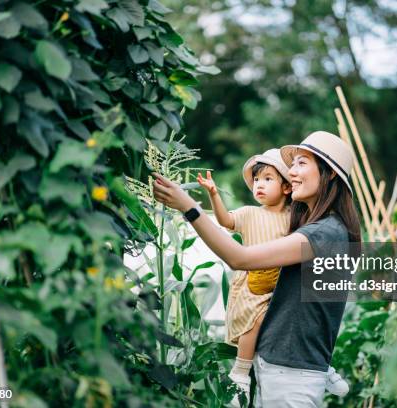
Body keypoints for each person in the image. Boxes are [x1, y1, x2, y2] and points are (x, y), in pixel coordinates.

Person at [153, 131, 361, 407]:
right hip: (281, 368)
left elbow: (239, 258)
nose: (292, 172)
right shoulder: (318, 227)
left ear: (330, 173)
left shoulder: (325, 233)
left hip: (292, 377)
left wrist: (190, 208)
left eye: (301, 163)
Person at [196, 149, 292, 406]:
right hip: (253, 285)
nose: (259, 184)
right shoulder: (250, 213)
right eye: (256, 180)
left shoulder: (294, 218)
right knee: (255, 319)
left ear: (286, 188)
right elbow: (226, 221)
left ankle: (322, 367)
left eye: (268, 179)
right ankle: (240, 372)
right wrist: (213, 194)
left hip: (283, 285)